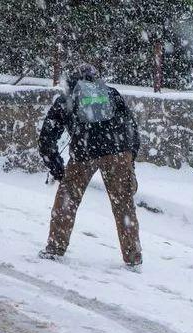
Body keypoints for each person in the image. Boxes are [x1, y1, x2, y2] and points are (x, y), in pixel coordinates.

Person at [38, 62, 142, 268]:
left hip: (84, 152)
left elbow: (46, 139)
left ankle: (55, 248)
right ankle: (133, 258)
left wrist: (58, 170)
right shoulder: (112, 94)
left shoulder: (67, 99)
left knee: (68, 199)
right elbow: (132, 129)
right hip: (119, 151)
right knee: (123, 205)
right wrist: (130, 160)